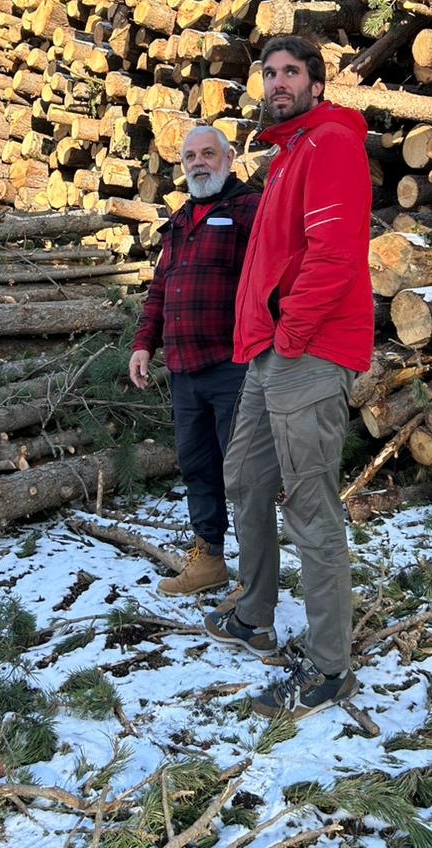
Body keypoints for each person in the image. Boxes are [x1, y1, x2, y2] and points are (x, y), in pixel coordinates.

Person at [205, 35, 374, 719]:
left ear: (316, 82)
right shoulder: (284, 156)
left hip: (309, 350)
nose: (277, 81)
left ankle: (330, 667)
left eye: (290, 72)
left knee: (309, 507)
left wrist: (293, 332)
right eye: (269, 72)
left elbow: (334, 253)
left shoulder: (330, 141)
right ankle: (255, 612)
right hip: (270, 354)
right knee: (244, 476)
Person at [129, 125, 260, 596]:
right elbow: (161, 287)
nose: (198, 163)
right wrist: (144, 342)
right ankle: (209, 559)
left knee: (242, 473)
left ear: (228, 159)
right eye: (190, 157)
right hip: (184, 369)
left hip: (234, 366)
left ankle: (254, 577)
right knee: (197, 464)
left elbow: (269, 284)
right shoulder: (181, 220)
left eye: (208, 154)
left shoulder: (251, 209)